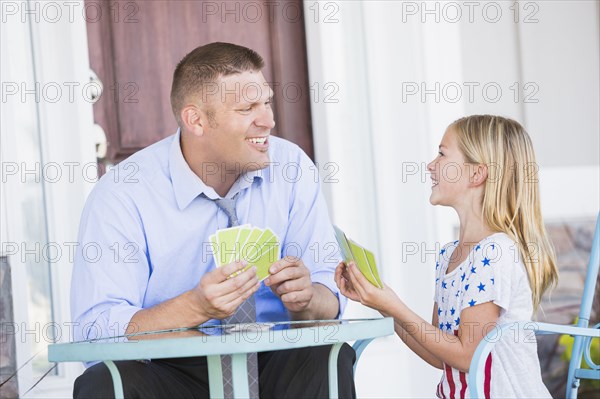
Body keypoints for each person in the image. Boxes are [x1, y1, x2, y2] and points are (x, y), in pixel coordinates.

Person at [71, 42, 355, 398]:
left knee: (327, 355)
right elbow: (96, 330)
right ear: (196, 120)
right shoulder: (122, 192)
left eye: (266, 102)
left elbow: (331, 300)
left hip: (273, 356)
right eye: (247, 108)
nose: (268, 120)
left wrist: (308, 297)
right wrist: (195, 306)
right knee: (104, 383)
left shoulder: (292, 167)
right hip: (169, 366)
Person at [335, 115, 558, 398]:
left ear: (477, 174)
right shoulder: (448, 256)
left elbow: (467, 356)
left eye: (442, 154)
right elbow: (441, 356)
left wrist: (394, 305)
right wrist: (383, 303)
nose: (430, 165)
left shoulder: (495, 252)